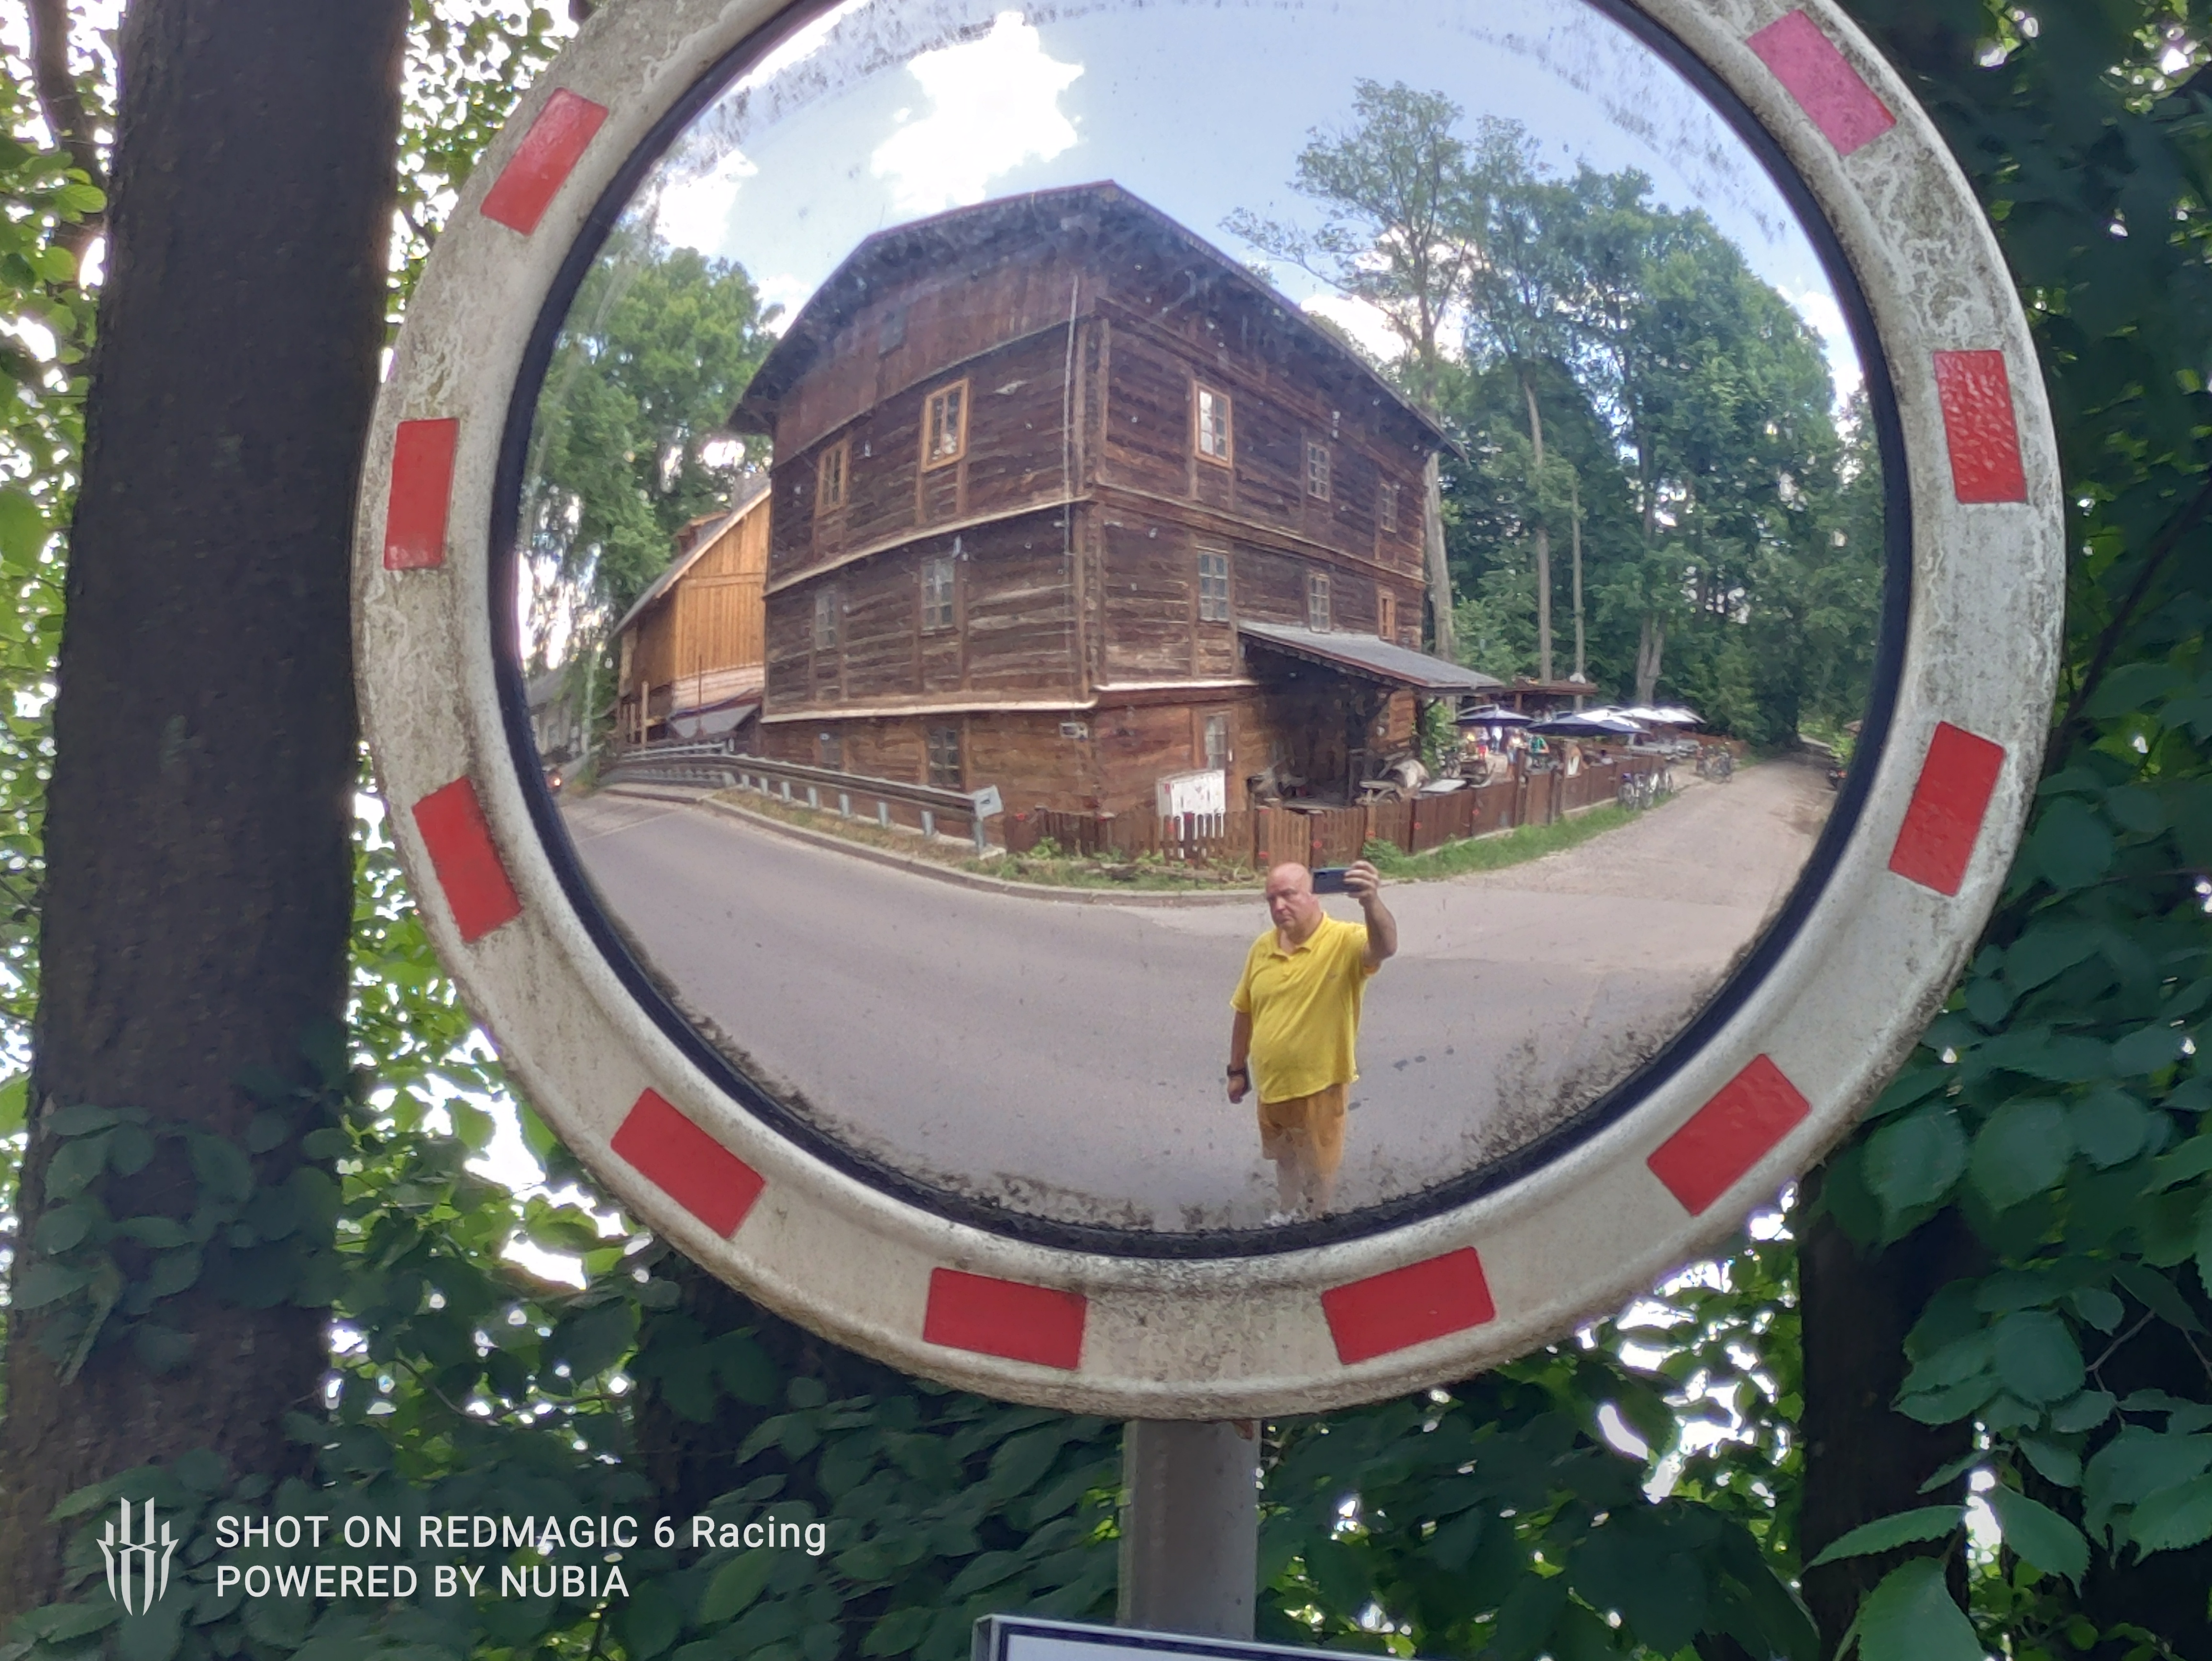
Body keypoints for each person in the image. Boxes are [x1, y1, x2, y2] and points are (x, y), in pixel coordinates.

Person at [1225, 859, 1398, 1220]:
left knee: (1318, 1170)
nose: (1279, 907)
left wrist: (1371, 902)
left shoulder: (1344, 940)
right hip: (1273, 1087)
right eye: (1271, 899)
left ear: (1313, 895)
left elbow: (1385, 947)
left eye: (1288, 896)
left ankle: (1315, 1224)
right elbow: (1245, 1011)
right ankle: (1286, 1214)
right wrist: (1237, 1070)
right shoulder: (1262, 947)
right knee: (1285, 1160)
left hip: (1320, 1087)